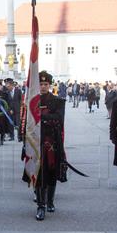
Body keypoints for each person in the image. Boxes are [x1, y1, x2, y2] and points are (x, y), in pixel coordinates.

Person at [27, 71, 66, 221]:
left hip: (52, 142)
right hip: (35, 142)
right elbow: (26, 122)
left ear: (49, 85)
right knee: (38, 174)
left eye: (45, 84)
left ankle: (50, 201)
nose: (43, 87)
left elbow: (59, 118)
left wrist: (41, 117)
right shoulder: (31, 101)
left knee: (51, 173)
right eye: (41, 84)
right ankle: (41, 206)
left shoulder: (58, 101)